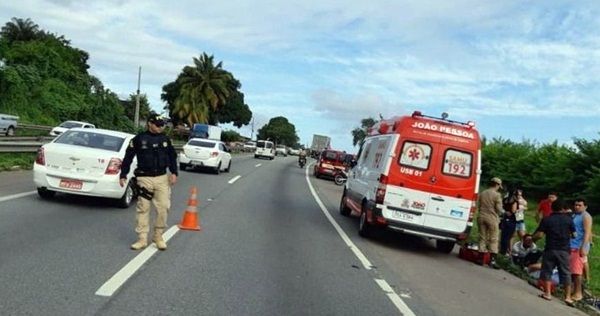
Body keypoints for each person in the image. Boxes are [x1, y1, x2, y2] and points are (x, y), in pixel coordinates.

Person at [119, 113, 178, 251]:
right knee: (143, 208)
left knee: (164, 207)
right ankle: (142, 238)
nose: (160, 127)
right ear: (149, 124)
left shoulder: (165, 139)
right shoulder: (139, 139)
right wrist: (123, 174)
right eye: (157, 125)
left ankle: (158, 236)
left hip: (162, 178)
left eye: (162, 125)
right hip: (144, 178)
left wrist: (174, 173)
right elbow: (128, 157)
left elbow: (172, 156)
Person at [533, 199, 576, 306]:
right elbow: (574, 235)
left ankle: (547, 294)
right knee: (566, 273)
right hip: (564, 250)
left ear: (552, 208)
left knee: (547, 270)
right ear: (563, 209)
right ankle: (568, 297)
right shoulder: (569, 220)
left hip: (550, 248)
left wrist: (532, 239)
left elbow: (539, 235)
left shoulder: (547, 219)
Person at [477, 177, 504, 269]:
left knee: (482, 237)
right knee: (494, 239)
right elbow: (499, 209)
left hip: (481, 216)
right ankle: (492, 261)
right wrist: (503, 213)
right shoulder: (497, 195)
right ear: (497, 185)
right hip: (492, 218)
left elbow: (479, 205)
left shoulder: (483, 193)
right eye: (499, 186)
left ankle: (480, 259)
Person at [570, 198, 593, 302]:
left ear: (585, 206)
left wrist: (583, 247)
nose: (577, 207)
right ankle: (573, 290)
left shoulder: (586, 216)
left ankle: (578, 293)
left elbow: (587, 233)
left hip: (578, 246)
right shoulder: (575, 215)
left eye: (579, 205)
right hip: (571, 245)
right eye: (575, 205)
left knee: (577, 271)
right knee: (572, 270)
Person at [499, 189, 518, 255]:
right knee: (508, 237)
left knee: (503, 236)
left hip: (504, 219)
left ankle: (501, 250)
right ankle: (504, 252)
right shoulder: (514, 201)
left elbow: (502, 207)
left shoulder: (505, 199)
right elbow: (513, 211)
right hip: (512, 220)